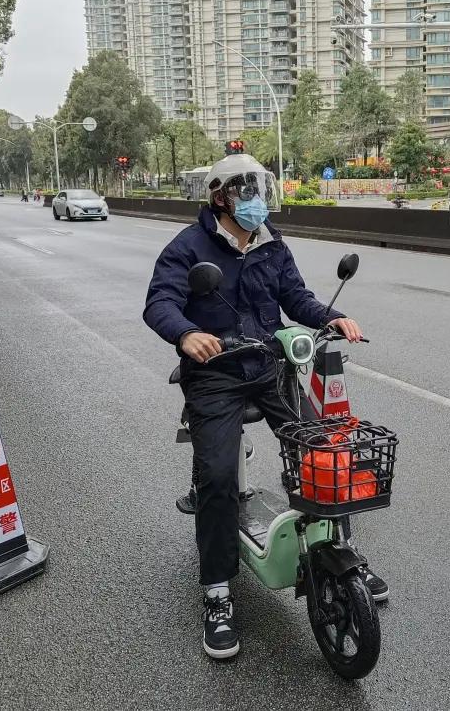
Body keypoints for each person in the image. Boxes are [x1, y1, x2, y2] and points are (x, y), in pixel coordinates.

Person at [143, 154, 387, 660]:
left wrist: (332, 317)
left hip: (269, 369)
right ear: (220, 198)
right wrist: (187, 333)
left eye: (259, 189)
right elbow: (159, 303)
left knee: (324, 454)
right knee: (215, 478)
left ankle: (342, 553)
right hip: (215, 378)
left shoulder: (272, 243)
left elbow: (295, 297)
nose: (256, 199)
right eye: (245, 190)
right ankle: (217, 591)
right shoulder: (187, 248)